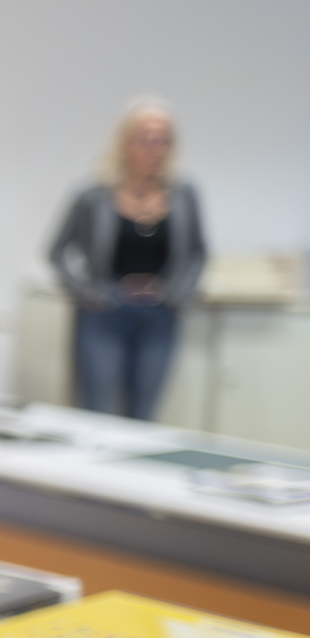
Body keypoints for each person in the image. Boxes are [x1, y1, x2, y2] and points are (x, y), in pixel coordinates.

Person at [49, 99, 207, 421]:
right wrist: (87, 292)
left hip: (160, 313)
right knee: (98, 412)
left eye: (164, 139)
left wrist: (180, 292)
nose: (156, 148)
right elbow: (57, 253)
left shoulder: (184, 195)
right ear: (125, 142)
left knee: (143, 416)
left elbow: (198, 253)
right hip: (106, 310)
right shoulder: (93, 195)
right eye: (147, 138)